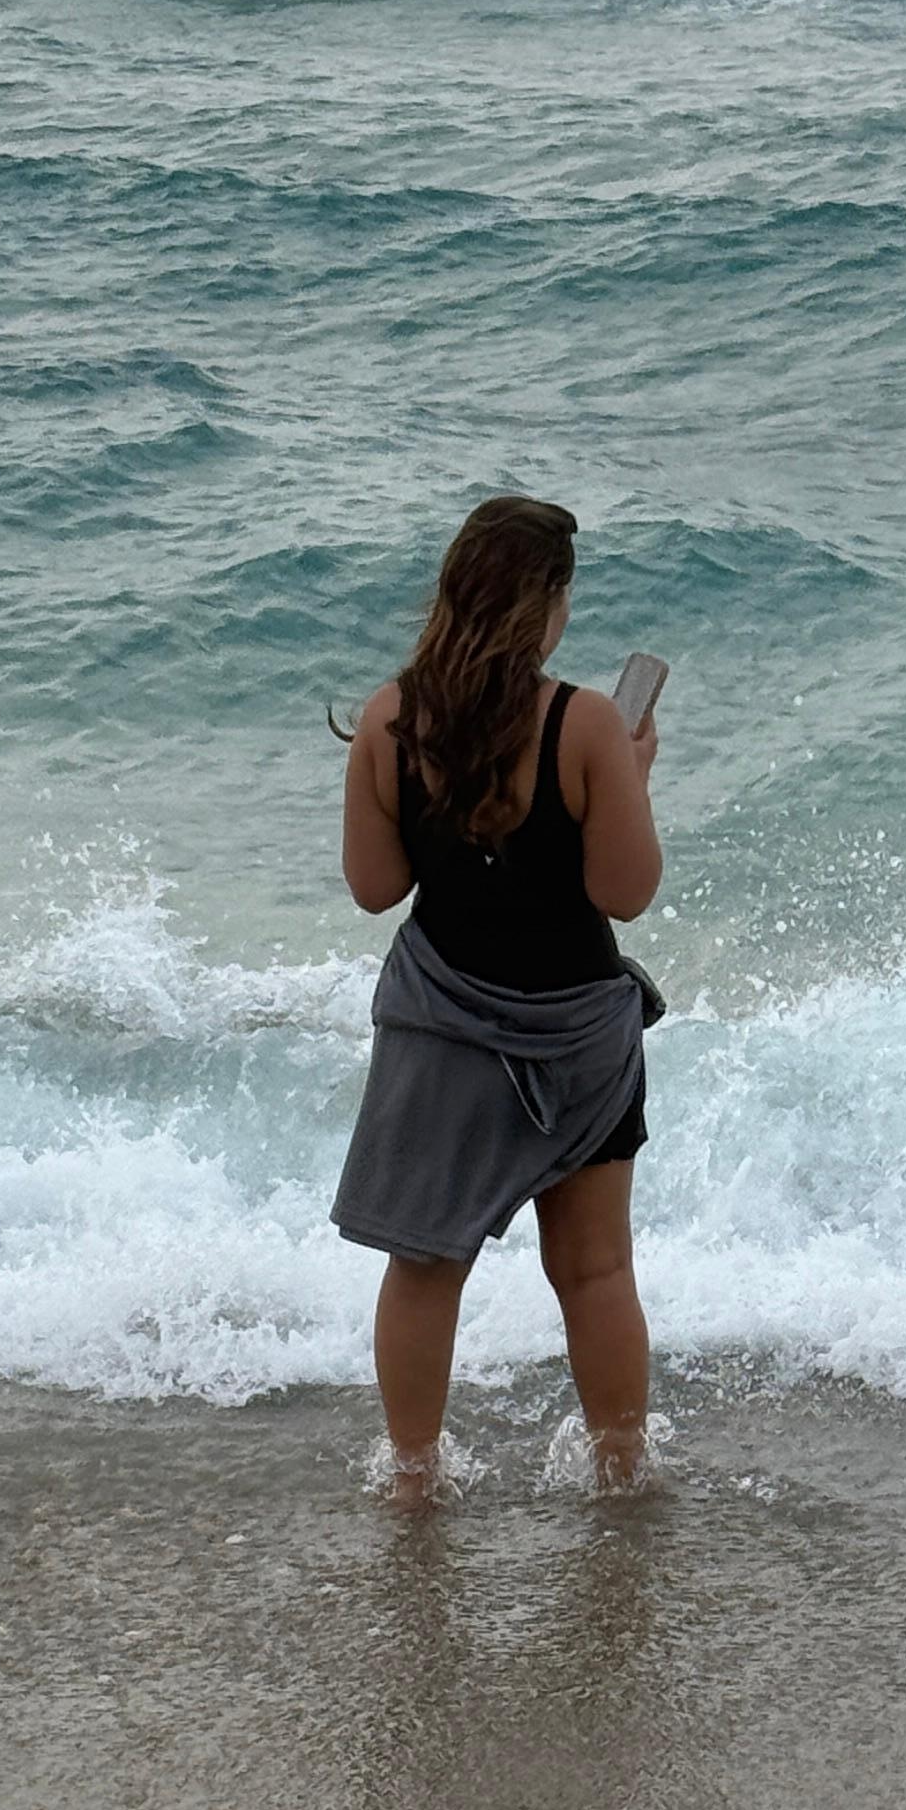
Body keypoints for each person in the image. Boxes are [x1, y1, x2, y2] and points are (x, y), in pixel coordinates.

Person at [333, 495, 664, 1497]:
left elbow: (375, 886)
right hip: (574, 1036)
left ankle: (414, 1479)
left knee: (424, 1266)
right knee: (595, 1270)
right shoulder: (584, 723)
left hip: (444, 1026)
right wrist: (632, 777)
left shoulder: (391, 719)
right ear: (546, 605)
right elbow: (625, 892)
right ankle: (618, 1473)